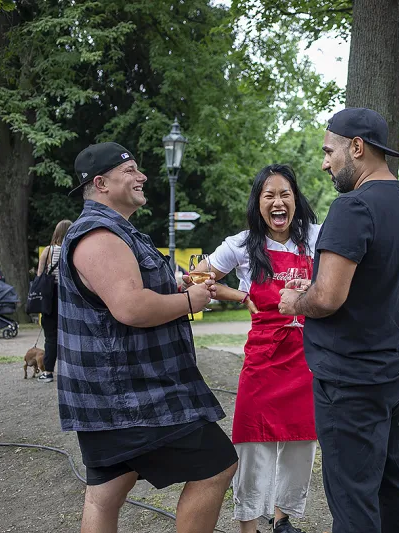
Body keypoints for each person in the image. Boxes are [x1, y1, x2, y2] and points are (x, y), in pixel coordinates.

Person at [57, 142, 237, 533]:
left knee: (105, 492)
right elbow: (130, 307)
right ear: (101, 183)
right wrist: (190, 299)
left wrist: (174, 284)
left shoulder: (117, 231)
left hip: (113, 395)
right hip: (132, 396)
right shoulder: (99, 235)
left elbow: (128, 291)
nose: (142, 177)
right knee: (218, 465)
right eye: (131, 171)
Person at [279, 107, 399, 533]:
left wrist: (294, 301)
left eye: (329, 152)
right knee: (393, 479)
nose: (324, 162)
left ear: (357, 148)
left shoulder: (353, 205)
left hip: (353, 380)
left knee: (352, 497)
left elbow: (326, 297)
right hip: (396, 371)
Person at [196, 164, 319, 533]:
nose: (278, 202)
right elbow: (197, 277)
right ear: (258, 202)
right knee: (253, 444)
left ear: (295, 199)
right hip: (263, 359)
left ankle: (283, 519)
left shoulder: (317, 236)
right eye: (270, 195)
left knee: (301, 442)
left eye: (285, 194)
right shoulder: (241, 243)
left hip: (307, 358)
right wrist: (238, 294)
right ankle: (248, 525)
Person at [35, 219, 73, 384]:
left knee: (51, 336)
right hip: (68, 296)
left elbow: (39, 275)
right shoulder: (72, 249)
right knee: (70, 334)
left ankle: (48, 372)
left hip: (49, 297)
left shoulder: (48, 251)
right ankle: (71, 371)